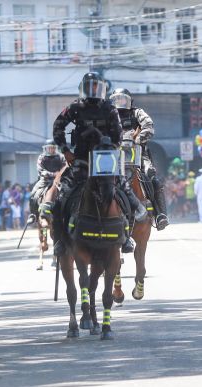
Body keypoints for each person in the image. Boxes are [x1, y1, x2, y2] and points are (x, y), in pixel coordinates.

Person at [42, 71, 140, 255]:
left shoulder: (110, 109)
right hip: (82, 159)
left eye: (97, 86)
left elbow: (118, 134)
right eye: (90, 86)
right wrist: (65, 150)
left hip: (105, 160)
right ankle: (61, 239)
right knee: (64, 195)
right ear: (84, 88)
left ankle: (126, 236)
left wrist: (112, 148)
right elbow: (58, 127)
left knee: (123, 191)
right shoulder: (75, 107)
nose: (94, 89)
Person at [109, 88, 169, 230]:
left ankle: (160, 214)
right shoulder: (108, 115)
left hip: (137, 153)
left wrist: (136, 140)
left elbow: (149, 126)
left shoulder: (137, 112)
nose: (119, 102)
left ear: (129, 100)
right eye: (117, 99)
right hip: (113, 155)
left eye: (122, 98)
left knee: (152, 175)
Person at [29, 140, 67, 224]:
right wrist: (53, 174)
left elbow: (65, 168)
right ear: (46, 148)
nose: (51, 150)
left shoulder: (61, 157)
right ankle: (33, 215)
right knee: (33, 194)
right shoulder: (41, 157)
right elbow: (40, 170)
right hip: (45, 180)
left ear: (55, 148)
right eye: (49, 148)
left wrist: (60, 175)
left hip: (59, 181)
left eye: (52, 148)